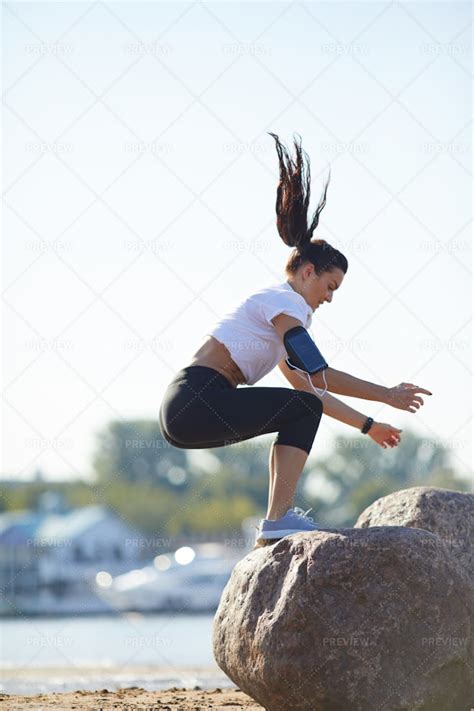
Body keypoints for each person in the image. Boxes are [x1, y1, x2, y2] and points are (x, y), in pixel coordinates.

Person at [158, 132, 432, 547]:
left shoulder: (277, 318)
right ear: (307, 272)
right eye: (330, 286)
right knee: (300, 407)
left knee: (300, 406)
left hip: (187, 414)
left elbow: (311, 391)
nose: (329, 298)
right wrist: (386, 394)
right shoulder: (286, 303)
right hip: (197, 399)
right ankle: (278, 520)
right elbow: (317, 371)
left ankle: (275, 524)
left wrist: (369, 426)